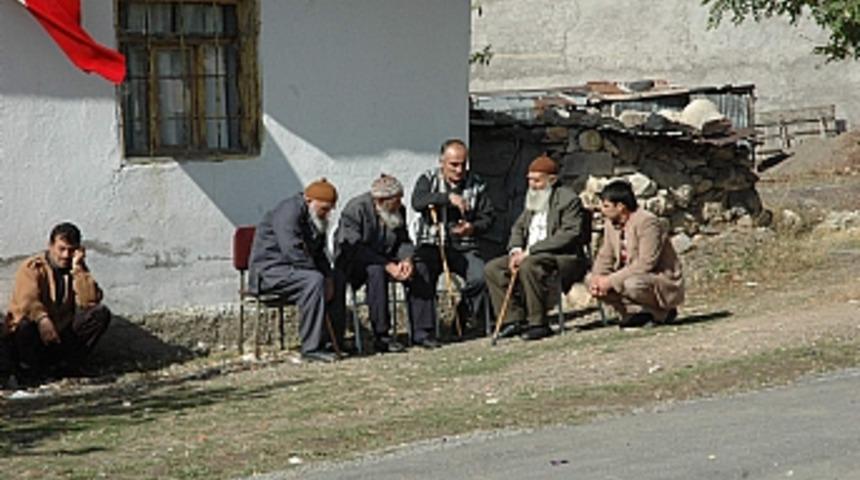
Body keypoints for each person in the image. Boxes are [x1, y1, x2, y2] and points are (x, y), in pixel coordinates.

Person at [484, 155, 590, 340]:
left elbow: (569, 234)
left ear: (552, 180)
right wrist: (516, 249)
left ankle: (538, 323)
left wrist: (530, 251)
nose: (532, 185)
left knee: (529, 265)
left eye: (537, 180)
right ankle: (513, 320)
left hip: (561, 255)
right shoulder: (533, 199)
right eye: (529, 180)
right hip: (528, 254)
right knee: (493, 268)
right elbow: (518, 227)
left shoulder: (568, 199)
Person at [249, 178, 344, 362]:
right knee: (313, 281)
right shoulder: (288, 212)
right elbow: (292, 251)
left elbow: (320, 254)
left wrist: (328, 277)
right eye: (324, 209)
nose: (327, 214)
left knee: (336, 277)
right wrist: (320, 276)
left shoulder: (316, 217)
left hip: (296, 271)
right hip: (271, 272)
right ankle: (311, 348)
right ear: (309, 200)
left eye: (330, 209)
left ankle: (333, 342)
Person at [410, 139, 494, 347]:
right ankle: (424, 332)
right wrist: (447, 198)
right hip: (432, 244)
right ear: (442, 162)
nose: (459, 170)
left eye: (463, 164)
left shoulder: (477, 183)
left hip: (464, 246)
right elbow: (417, 201)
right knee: (421, 273)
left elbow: (488, 218)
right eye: (454, 164)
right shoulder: (428, 179)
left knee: (481, 277)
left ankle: (463, 315)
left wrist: (472, 227)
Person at [4, 222, 111, 385]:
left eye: (71, 250)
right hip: (35, 336)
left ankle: (66, 366)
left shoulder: (75, 268)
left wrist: (78, 268)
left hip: (59, 335)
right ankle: (30, 371)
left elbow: (90, 300)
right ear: (51, 246)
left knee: (99, 314)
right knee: (25, 326)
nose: (66, 255)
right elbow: (27, 300)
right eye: (61, 249)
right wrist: (42, 319)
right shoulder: (33, 267)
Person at [334, 174, 415, 353]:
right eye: (396, 200)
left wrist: (406, 259)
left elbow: (403, 240)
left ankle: (422, 333)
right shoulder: (356, 209)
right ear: (380, 201)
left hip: (383, 260)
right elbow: (354, 247)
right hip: (354, 262)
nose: (400, 203)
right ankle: (381, 335)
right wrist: (388, 265)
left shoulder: (398, 210)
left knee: (419, 268)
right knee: (376, 271)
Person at [589, 180, 684, 328]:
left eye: (606, 206)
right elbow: (605, 255)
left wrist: (610, 280)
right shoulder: (611, 224)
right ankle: (632, 313)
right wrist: (597, 279)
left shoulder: (647, 222)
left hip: (655, 278)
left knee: (632, 284)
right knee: (592, 282)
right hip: (627, 274)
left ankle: (661, 312)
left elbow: (646, 263)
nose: (602, 210)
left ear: (620, 207)